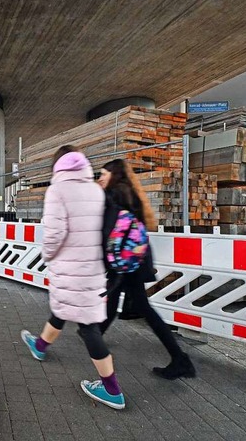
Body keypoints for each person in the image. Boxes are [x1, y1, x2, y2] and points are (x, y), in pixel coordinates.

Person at [21, 145, 125, 410]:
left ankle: (112, 389)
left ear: (58, 166)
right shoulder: (94, 189)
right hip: (91, 268)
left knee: (87, 326)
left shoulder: (58, 190)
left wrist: (47, 254)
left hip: (69, 266)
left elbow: (55, 232)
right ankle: (40, 345)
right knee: (65, 308)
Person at [98, 158, 196, 380]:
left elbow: (107, 233)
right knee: (121, 303)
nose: (100, 178)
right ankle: (95, 334)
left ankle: (180, 360)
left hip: (125, 265)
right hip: (132, 262)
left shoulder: (115, 196)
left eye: (103, 174)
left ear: (113, 175)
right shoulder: (130, 194)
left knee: (143, 308)